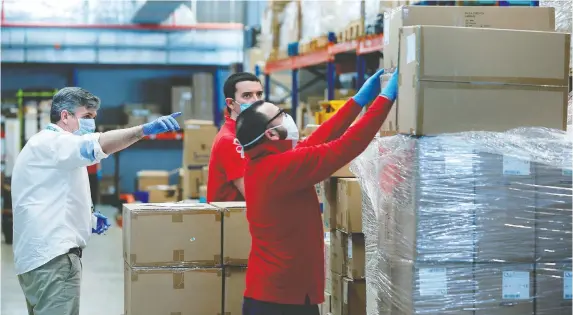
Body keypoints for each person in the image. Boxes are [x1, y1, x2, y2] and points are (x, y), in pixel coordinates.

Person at [235, 69, 398, 315]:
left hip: (279, 293)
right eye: (280, 114)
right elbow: (345, 146)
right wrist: (386, 98)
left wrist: (358, 101)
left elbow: (319, 139)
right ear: (270, 133)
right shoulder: (279, 169)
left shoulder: (266, 162)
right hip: (280, 301)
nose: (286, 117)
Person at [11, 87, 181, 315]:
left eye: (94, 117)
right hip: (53, 260)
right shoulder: (54, 143)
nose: (91, 123)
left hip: (38, 259)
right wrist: (143, 130)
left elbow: (51, 194)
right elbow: (98, 144)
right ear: (65, 116)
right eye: (86, 117)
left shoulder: (47, 147)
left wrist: (87, 218)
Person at [207, 72, 264, 202]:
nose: (256, 100)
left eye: (259, 94)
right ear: (231, 103)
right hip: (233, 220)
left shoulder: (251, 134)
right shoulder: (231, 140)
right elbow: (254, 196)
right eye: (247, 95)